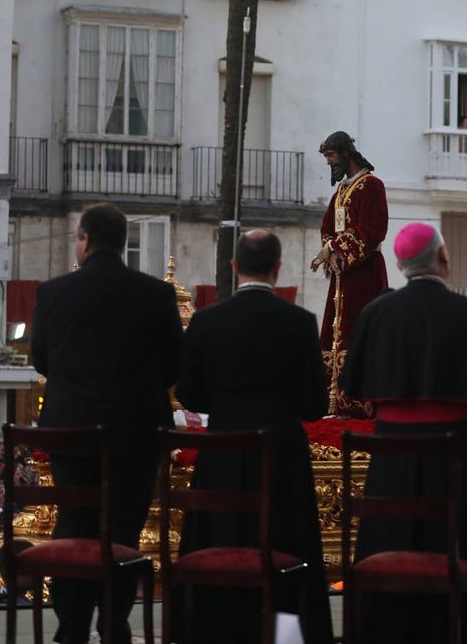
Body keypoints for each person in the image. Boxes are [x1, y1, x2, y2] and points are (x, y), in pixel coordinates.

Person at [341, 222, 467, 644]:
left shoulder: (375, 314)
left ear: (401, 265)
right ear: (443, 258)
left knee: (392, 546)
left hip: (392, 463)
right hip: (465, 458)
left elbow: (356, 388)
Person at [31, 203, 182, 644]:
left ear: (84, 239)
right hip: (135, 437)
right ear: (122, 244)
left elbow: (42, 359)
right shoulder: (156, 294)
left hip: (71, 434)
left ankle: (70, 627)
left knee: (73, 526)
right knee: (123, 530)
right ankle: (114, 623)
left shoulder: (52, 293)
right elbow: (173, 366)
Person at [176, 230, 333, 644]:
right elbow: (316, 403)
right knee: (287, 543)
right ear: (277, 269)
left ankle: (216, 630)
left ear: (234, 266)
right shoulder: (299, 323)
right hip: (282, 455)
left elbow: (189, 393)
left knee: (219, 543)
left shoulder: (207, 321)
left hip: (221, 454)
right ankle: (289, 636)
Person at [311, 131, 389, 418]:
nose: (329, 162)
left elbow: (373, 229)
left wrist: (336, 248)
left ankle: (358, 400)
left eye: (331, 156)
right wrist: (329, 250)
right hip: (342, 276)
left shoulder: (373, 186)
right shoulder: (341, 192)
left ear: (346, 153)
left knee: (358, 330)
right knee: (334, 330)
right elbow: (327, 227)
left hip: (364, 273)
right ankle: (332, 399)